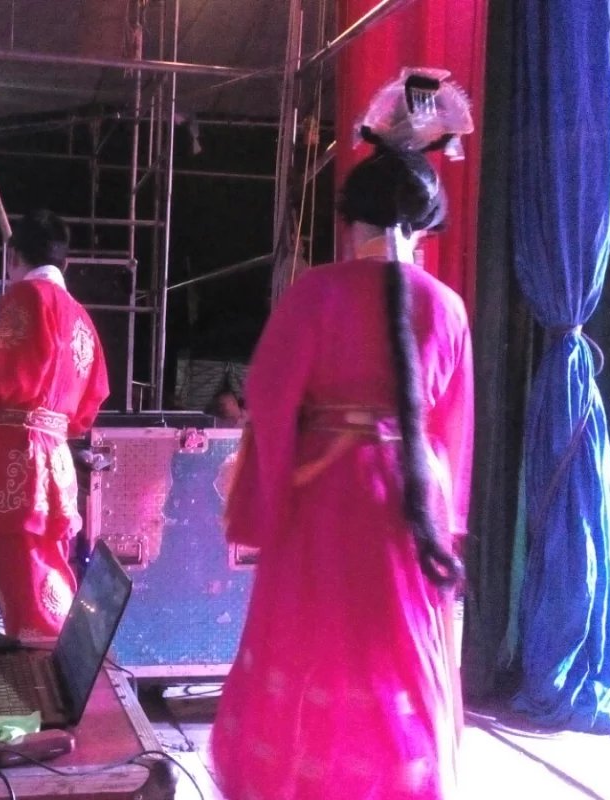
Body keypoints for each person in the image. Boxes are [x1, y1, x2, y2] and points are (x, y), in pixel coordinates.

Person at [209, 142, 472, 799]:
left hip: (324, 493)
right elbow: (452, 432)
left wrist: (265, 498)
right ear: (423, 226)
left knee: (311, 641)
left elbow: (269, 397)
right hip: (412, 502)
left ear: (350, 220)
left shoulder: (316, 292)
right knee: (394, 654)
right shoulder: (447, 306)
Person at [0, 209, 110, 638]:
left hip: (21, 454)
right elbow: (91, 400)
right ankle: (42, 650)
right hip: (56, 456)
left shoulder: (26, 298)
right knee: (42, 560)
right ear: (66, 262)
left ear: (12, 256)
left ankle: (39, 662)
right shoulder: (82, 318)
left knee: (25, 572)